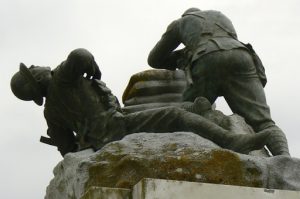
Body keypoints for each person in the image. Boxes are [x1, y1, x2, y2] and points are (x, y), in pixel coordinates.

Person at [11, 48, 271, 156]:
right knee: (174, 117)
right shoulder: (61, 80)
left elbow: (67, 149)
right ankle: (231, 141)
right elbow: (79, 54)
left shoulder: (51, 113)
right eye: (33, 69)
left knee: (149, 111)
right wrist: (89, 63)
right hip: (115, 128)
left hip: (112, 126)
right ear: (36, 80)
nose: (38, 65)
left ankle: (193, 108)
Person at [147, 8, 289, 156]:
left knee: (183, 110)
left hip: (206, 56)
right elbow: (224, 44)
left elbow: (154, 59)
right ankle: (285, 157)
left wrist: (181, 57)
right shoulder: (221, 17)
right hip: (242, 55)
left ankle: (199, 107)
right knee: (264, 122)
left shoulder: (181, 23)